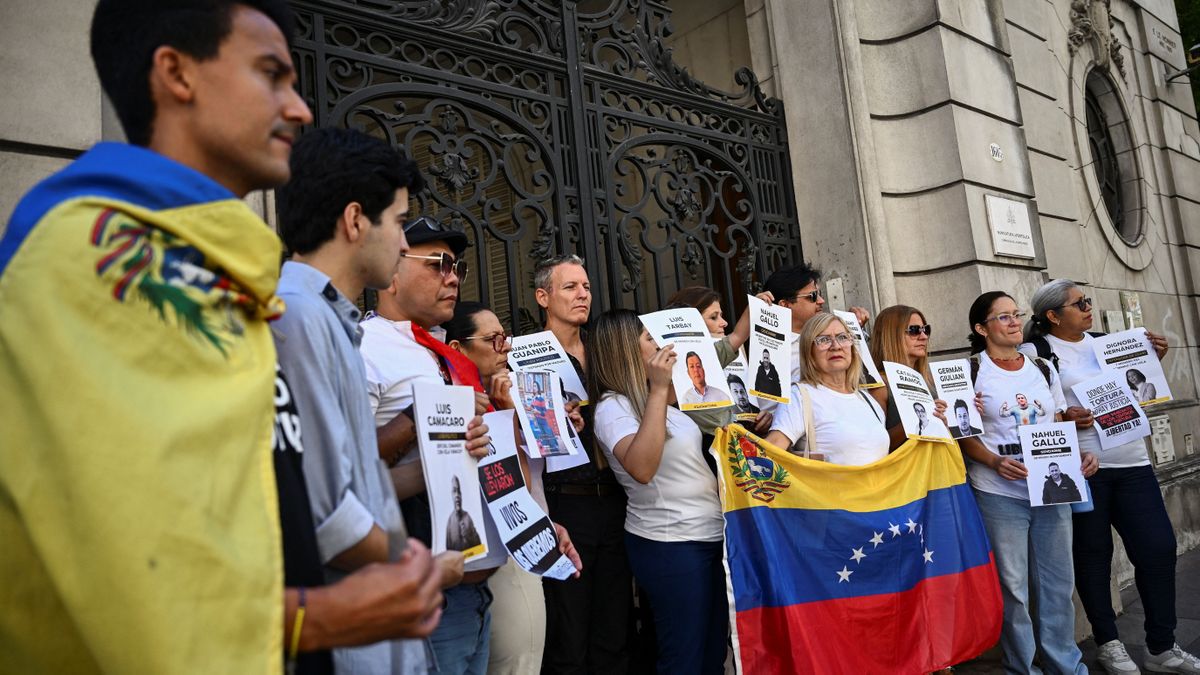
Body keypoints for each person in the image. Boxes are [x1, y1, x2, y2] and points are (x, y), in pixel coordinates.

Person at [1, 2, 441, 672]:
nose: (298, 109)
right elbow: (119, 552)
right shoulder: (97, 252)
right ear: (176, 73)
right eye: (271, 74)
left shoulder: (217, 273)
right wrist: (322, 615)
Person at [275, 126, 452, 674]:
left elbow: (358, 486)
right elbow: (325, 517)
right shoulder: (296, 320)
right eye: (398, 222)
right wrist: (419, 563)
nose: (404, 244)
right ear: (355, 221)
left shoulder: (333, 321)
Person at [1021, 279, 1197, 674]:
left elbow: (1139, 392)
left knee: (1157, 549)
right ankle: (1109, 643)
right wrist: (1065, 416)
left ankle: (1162, 647)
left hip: (1133, 464)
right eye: (1078, 303)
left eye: (1088, 300)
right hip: (1084, 471)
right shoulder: (1035, 352)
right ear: (1053, 315)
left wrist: (1156, 360)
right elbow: (1028, 409)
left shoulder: (1106, 341)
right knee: (1093, 557)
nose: (1088, 306)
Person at [359, 215, 498, 675]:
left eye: (456, 265)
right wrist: (416, 421)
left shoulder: (439, 351)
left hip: (468, 579)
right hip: (416, 580)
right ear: (393, 270)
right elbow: (346, 467)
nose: (453, 277)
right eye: (437, 264)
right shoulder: (365, 346)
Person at [956, 291, 1099, 675]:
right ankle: (1023, 667)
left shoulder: (1042, 368)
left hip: (1051, 491)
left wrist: (1079, 454)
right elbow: (962, 433)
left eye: (1015, 314)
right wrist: (994, 461)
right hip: (999, 494)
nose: (1014, 322)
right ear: (981, 328)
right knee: (1013, 587)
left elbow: (1056, 424)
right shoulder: (970, 371)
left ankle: (1065, 664)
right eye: (1002, 317)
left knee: (1057, 583)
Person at [442, 300, 583, 675]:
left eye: (505, 337)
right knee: (517, 663)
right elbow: (511, 487)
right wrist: (507, 418)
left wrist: (556, 425)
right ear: (458, 349)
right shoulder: (465, 408)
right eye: (492, 340)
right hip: (503, 551)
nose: (505, 347)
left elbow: (547, 468)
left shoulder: (510, 393)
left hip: (533, 536)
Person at [588, 310, 728, 674]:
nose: (659, 344)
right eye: (649, 338)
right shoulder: (612, 407)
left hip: (710, 537)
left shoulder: (664, 404)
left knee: (713, 652)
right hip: (671, 544)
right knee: (684, 657)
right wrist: (659, 389)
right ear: (625, 348)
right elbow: (642, 468)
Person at [534, 255, 632, 675]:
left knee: (616, 630)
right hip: (564, 505)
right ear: (544, 296)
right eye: (570, 287)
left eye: (586, 286)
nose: (583, 295)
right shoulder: (526, 354)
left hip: (616, 500)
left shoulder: (605, 348)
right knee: (568, 635)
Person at [764, 313, 889, 465]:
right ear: (809, 352)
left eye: (842, 337)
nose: (835, 346)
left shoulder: (867, 400)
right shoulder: (800, 397)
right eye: (824, 340)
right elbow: (769, 453)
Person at [664, 285, 772, 440]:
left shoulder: (714, 357)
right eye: (713, 317)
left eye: (699, 365)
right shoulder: (667, 369)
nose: (724, 323)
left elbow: (738, 336)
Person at [763, 261, 870, 387]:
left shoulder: (833, 335)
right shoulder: (772, 349)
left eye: (820, 294)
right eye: (813, 296)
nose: (821, 301)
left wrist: (854, 331)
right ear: (785, 305)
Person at [866, 305, 950, 449]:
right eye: (914, 330)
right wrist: (915, 421)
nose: (923, 337)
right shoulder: (880, 384)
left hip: (941, 465)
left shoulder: (929, 379)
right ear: (892, 335)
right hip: (908, 468)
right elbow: (875, 446)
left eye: (926, 330)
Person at [446, 476, 483, 552]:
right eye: (454, 491)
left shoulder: (467, 517)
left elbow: (480, 546)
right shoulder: (450, 521)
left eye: (459, 491)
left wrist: (469, 537)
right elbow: (448, 552)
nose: (457, 495)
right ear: (451, 495)